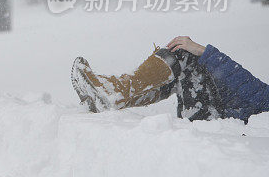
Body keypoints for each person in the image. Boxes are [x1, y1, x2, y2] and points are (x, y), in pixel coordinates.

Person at [71, 36, 269, 122]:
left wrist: (204, 52)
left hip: (220, 123)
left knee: (184, 55)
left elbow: (260, 98)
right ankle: (113, 96)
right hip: (221, 113)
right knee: (183, 60)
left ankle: (114, 93)